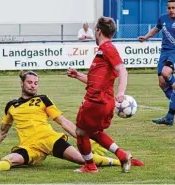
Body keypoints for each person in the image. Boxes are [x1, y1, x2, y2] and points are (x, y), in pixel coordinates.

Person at [0, 71, 143, 173]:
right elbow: (2, 132)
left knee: (82, 158)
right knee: (10, 159)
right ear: (23, 84)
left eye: (36, 83)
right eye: (30, 82)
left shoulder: (43, 100)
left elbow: (63, 122)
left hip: (50, 138)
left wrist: (89, 140)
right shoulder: (11, 105)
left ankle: (124, 159)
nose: (33, 85)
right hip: (29, 146)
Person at [67, 16, 134, 173]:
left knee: (80, 132)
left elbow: (123, 70)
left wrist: (121, 92)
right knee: (94, 132)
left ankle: (90, 166)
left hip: (96, 101)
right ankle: (122, 155)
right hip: (104, 101)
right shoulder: (103, 51)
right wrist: (77, 75)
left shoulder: (108, 48)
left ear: (97, 31)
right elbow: (96, 81)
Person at [138, 0, 175, 126]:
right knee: (162, 83)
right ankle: (169, 117)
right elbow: (156, 29)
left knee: (166, 73)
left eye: (174, 8)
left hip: (174, 52)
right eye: (169, 8)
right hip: (164, 52)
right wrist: (146, 37)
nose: (171, 10)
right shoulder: (162, 18)